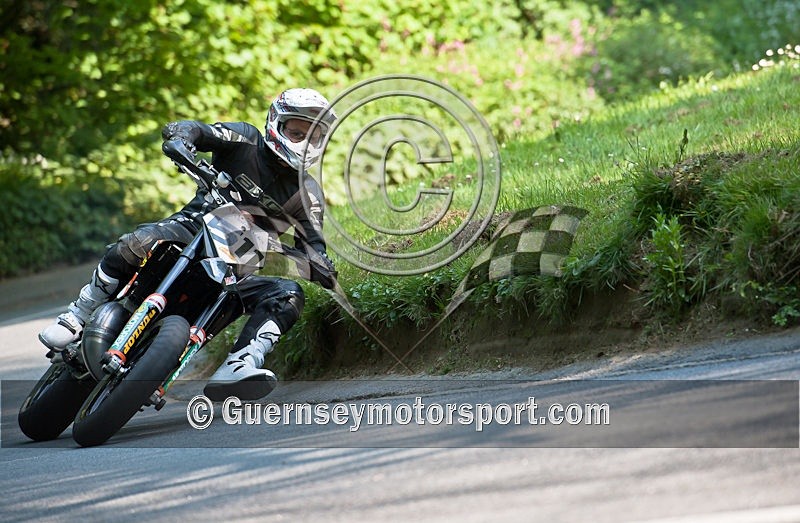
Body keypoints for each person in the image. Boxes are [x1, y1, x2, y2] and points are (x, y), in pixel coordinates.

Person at [39, 88, 337, 401]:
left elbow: (315, 246)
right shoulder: (245, 139)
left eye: (313, 136)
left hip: (235, 272)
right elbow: (198, 130)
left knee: (288, 295)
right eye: (296, 131)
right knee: (137, 242)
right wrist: (182, 139)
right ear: (277, 123)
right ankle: (77, 316)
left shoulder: (308, 194)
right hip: (190, 231)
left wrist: (319, 265)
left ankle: (241, 364)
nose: (304, 141)